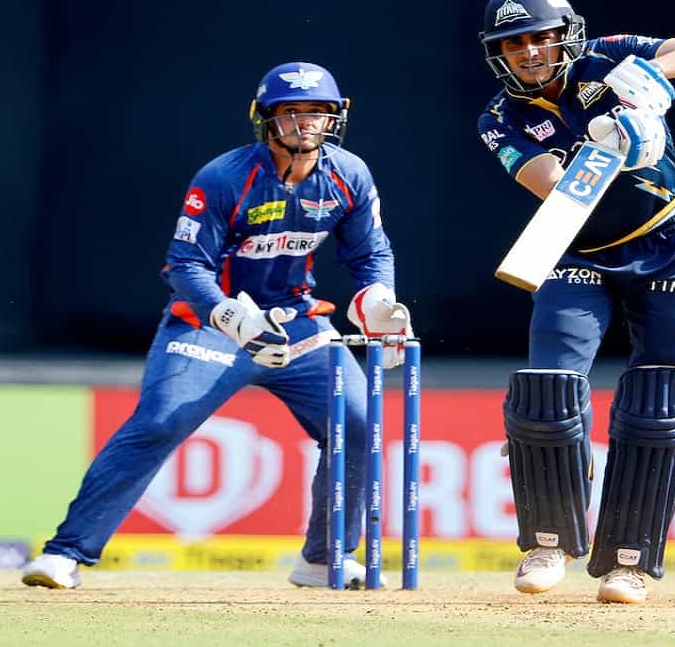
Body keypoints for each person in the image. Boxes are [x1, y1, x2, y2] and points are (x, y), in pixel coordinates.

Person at [21, 62, 412, 589]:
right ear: (264, 119)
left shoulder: (349, 174)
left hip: (296, 321)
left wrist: (379, 299)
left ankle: (324, 560)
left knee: (359, 425)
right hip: (210, 325)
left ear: (335, 117)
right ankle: (65, 553)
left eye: (317, 112)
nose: (305, 123)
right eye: (290, 112)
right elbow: (186, 265)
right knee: (160, 423)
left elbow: (371, 252)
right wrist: (230, 315)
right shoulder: (224, 177)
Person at [476, 0, 675, 603]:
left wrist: (654, 78)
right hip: (577, 245)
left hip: (674, 239)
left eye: (541, 38)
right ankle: (548, 543)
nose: (530, 52)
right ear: (497, 54)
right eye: (514, 44)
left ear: (567, 34)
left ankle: (629, 562)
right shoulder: (499, 119)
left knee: (658, 401)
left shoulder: (609, 54)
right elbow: (553, 186)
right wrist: (616, 149)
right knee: (548, 387)